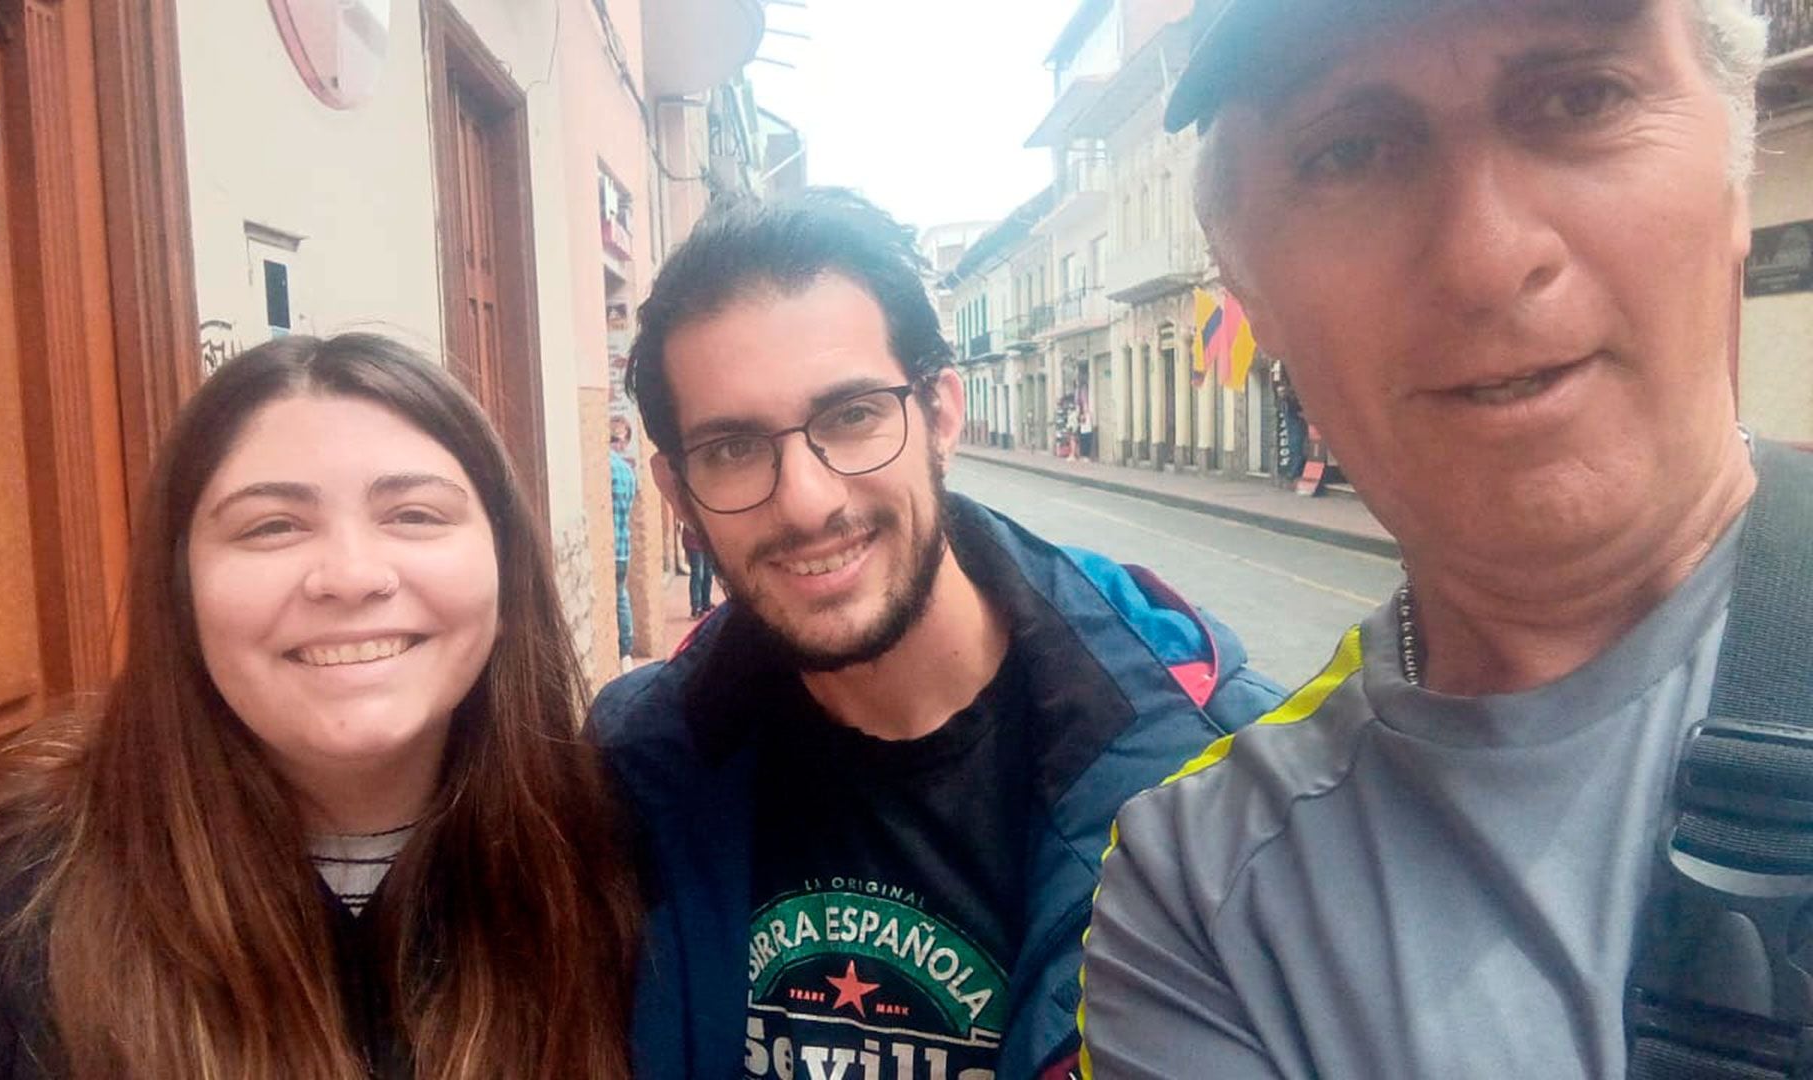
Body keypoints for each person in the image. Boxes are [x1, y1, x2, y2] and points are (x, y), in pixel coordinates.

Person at [1079, 1, 1803, 1077]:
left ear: (1736, 165)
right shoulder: (1212, 897)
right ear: (1251, 292)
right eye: (1350, 153)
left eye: (1581, 98)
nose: (1486, 257)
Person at [589, 189, 1281, 1079]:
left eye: (852, 416)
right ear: (679, 496)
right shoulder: (629, 772)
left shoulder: (1220, 776)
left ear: (942, 415)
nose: (806, 500)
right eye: (732, 449)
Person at [0, 334, 640, 1079]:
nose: (350, 576)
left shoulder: (613, 867)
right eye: (272, 526)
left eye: (414, 514)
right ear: (181, 596)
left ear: (506, 576)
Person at [610, 416, 638, 671]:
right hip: (623, 547)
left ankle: (622, 650)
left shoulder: (605, 468)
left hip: (611, 548)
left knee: (617, 597)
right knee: (621, 597)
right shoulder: (627, 472)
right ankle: (625, 653)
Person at [682, 519, 715, 617]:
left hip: (707, 543)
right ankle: (696, 607)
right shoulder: (690, 508)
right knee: (698, 574)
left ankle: (706, 603)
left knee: (708, 573)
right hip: (694, 544)